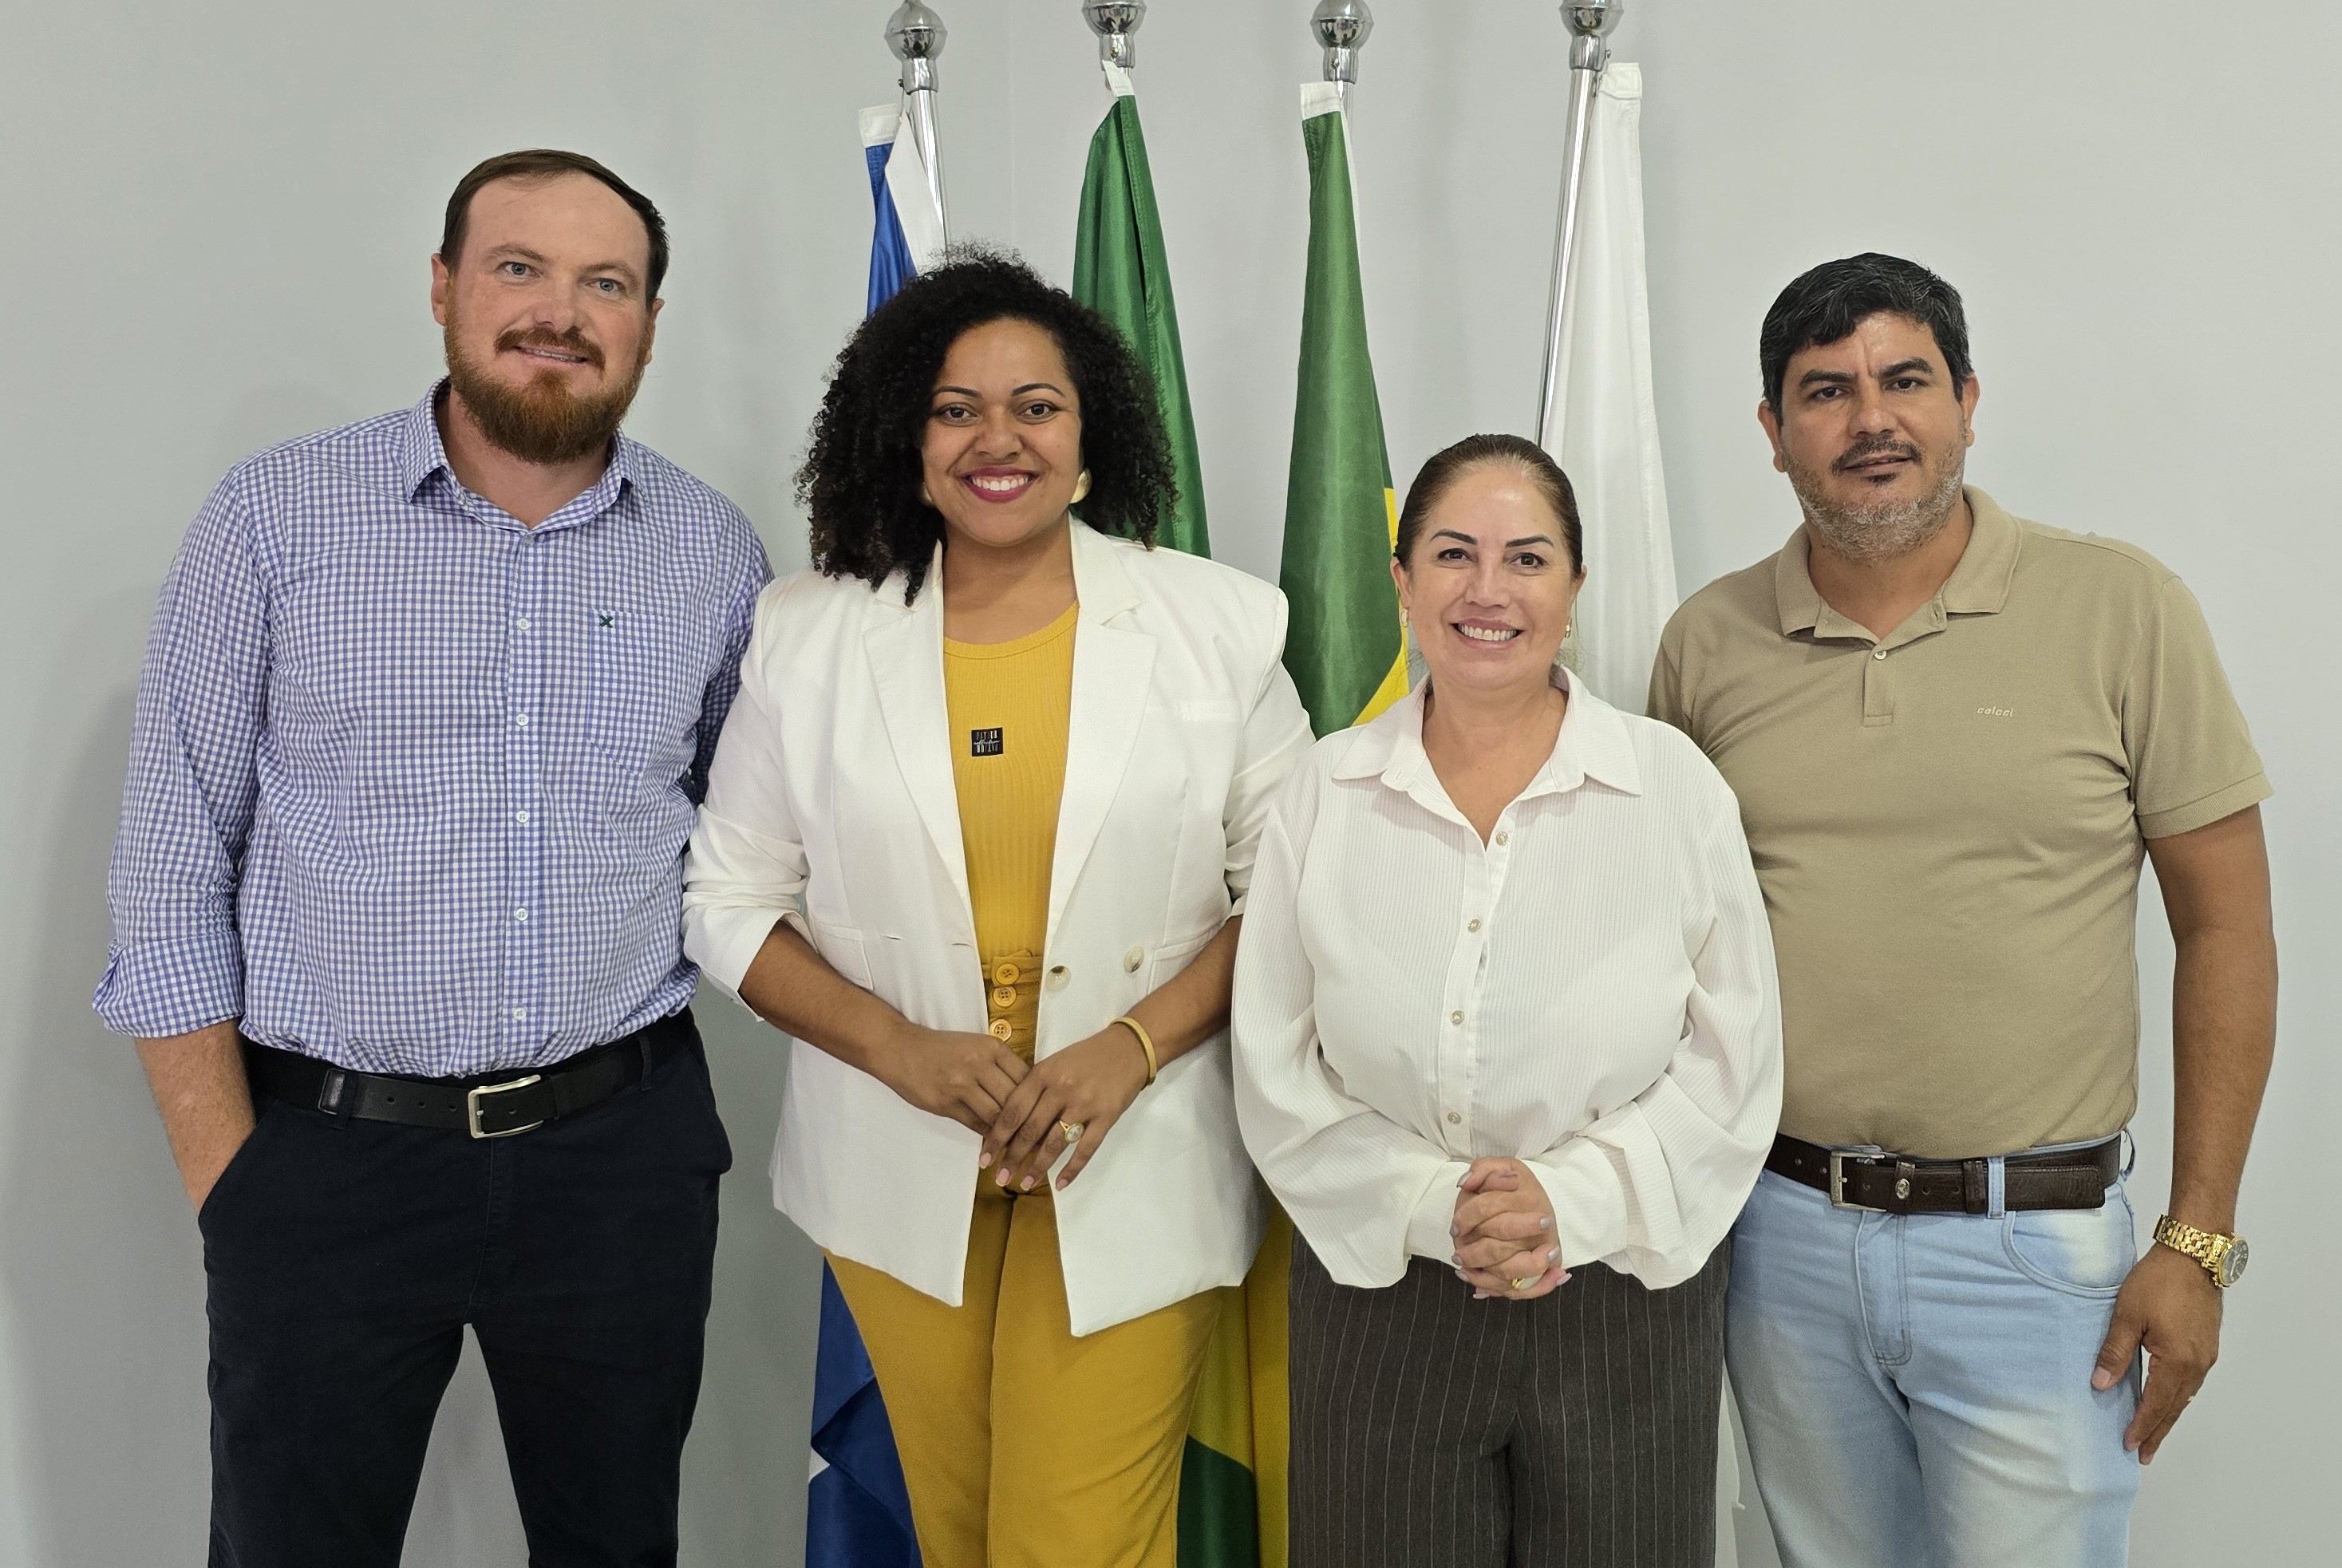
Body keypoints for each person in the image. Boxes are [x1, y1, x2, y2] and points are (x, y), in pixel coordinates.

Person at [92, 149, 769, 1566]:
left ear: (648, 319)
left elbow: (747, 855)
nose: (561, 313)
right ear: (446, 288)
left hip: (618, 1162)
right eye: (520, 269)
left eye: (608, 283)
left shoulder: (711, 552)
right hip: (328, 1167)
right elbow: (168, 869)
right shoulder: (277, 521)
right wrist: (239, 1182)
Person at [681, 252, 1312, 1568]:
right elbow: (728, 899)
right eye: (956, 408)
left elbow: (1300, 897)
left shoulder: (1220, 624)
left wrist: (1125, 1050)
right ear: (905, 441)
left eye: (1037, 405)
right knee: (960, 1536)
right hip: (898, 1150)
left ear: (1091, 441)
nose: (997, 438)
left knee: (1070, 1541)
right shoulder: (805, 633)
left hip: (1128, 1137)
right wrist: (900, 1050)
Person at [1649, 253, 2278, 1567]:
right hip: (1779, 1241)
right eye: (1825, 390)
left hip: (2036, 1255)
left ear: (1969, 400)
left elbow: (2226, 926)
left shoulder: (2122, 609)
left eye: (1905, 379)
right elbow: (1657, 945)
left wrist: (2198, 1239)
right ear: (1773, 434)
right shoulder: (1705, 645)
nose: (1870, 418)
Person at [1231, 432, 1783, 1568]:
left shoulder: (1671, 785)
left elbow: (1734, 1067)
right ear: (1401, 579)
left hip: (1622, 1291)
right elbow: (1275, 1070)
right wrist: (1443, 1211)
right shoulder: (1322, 794)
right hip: (1382, 1295)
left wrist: (1564, 1204)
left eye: (1527, 558)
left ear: (1575, 589)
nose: (1489, 591)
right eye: (1453, 554)